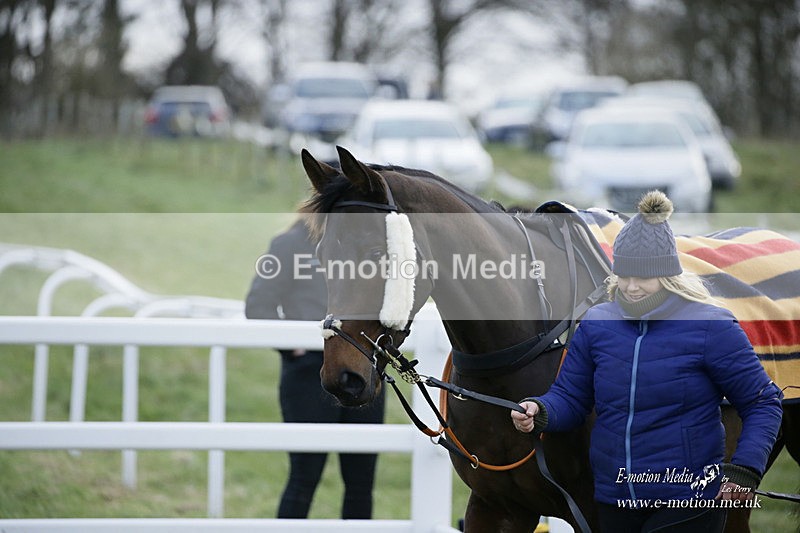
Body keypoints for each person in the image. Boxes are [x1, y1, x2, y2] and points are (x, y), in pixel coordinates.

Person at [510, 191, 782, 532]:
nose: (631, 287)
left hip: (687, 500)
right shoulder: (597, 323)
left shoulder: (711, 326)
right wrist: (540, 410)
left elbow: (763, 402)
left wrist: (745, 470)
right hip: (614, 497)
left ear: (668, 274)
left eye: (643, 277)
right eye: (624, 275)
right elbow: (571, 397)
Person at [245, 214, 386, 519]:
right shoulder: (290, 244)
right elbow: (258, 305)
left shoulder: (368, 249)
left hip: (364, 368)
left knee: (361, 482)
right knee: (303, 478)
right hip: (309, 373)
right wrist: (292, 347)